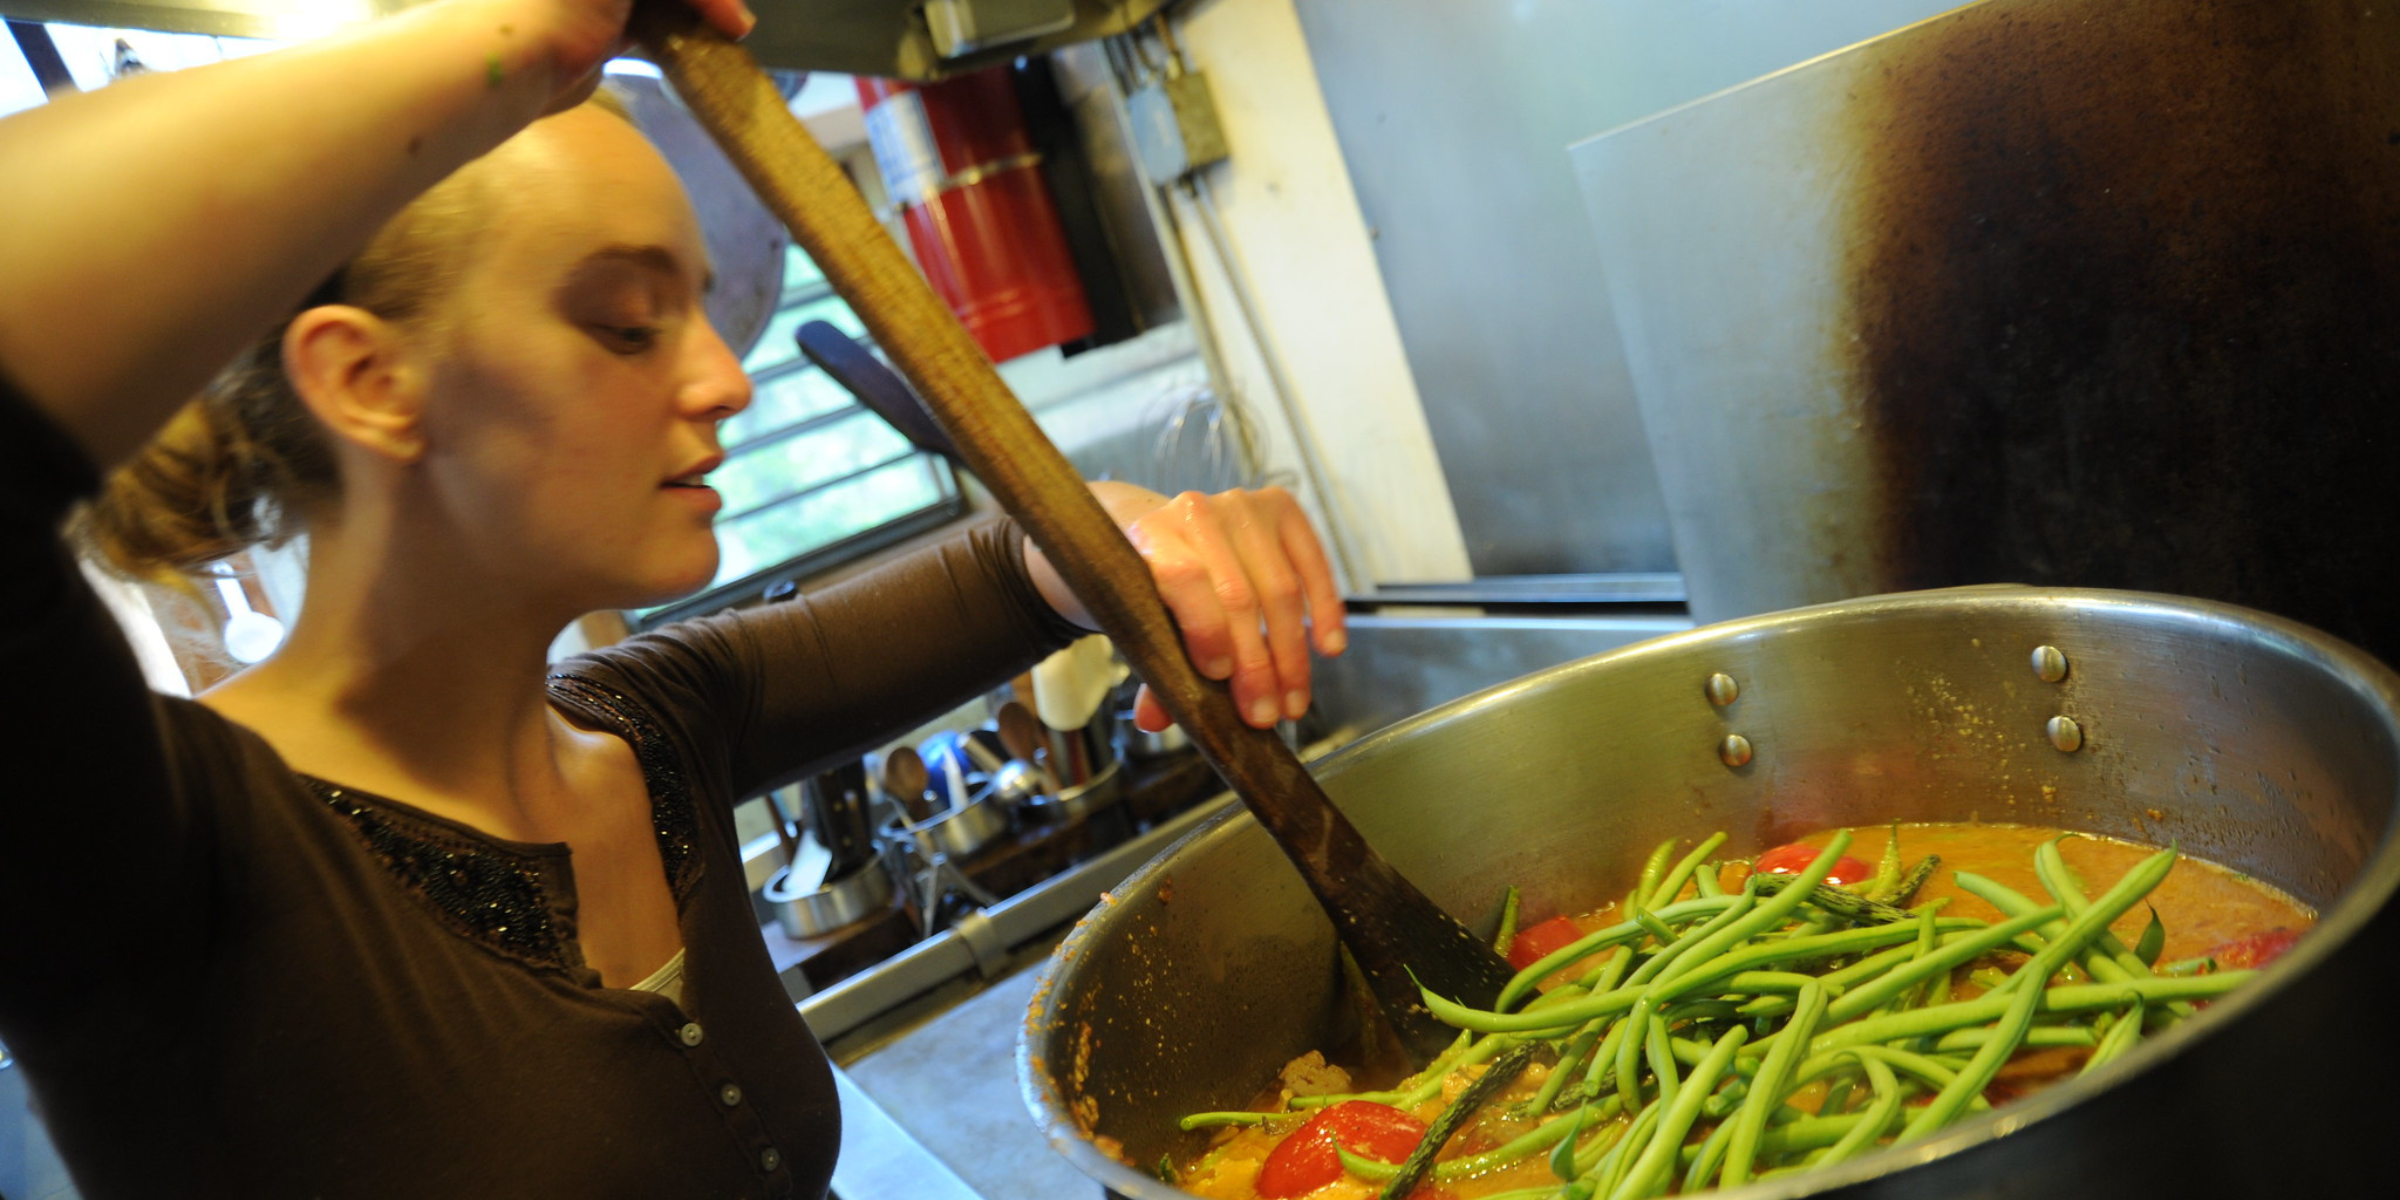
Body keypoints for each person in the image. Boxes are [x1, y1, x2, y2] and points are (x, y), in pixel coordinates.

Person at [0, 2, 1346, 1196]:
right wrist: (496, 41)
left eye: (701, 307)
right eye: (626, 322)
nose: (728, 380)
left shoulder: (652, 725)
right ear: (367, 382)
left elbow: (1017, 568)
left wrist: (1147, 534)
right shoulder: (161, 852)